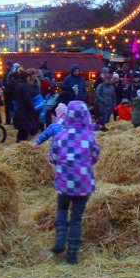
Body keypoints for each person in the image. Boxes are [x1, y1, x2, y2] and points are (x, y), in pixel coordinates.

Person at [49, 101, 100, 264]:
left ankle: (60, 239)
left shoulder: (61, 136)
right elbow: (95, 157)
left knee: (62, 208)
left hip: (64, 181)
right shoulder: (90, 136)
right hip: (83, 183)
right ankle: (72, 253)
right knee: (77, 217)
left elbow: (53, 158)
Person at [13, 69, 37, 143]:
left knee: (21, 130)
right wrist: (33, 109)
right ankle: (20, 144)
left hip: (20, 109)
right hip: (25, 111)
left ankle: (18, 143)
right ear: (26, 78)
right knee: (24, 130)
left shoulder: (18, 85)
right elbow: (28, 99)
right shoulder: (24, 86)